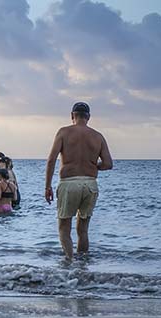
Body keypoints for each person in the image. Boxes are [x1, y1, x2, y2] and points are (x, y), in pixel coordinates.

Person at [45, 101, 113, 261]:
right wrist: (93, 166)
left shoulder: (63, 132)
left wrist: (47, 186)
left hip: (69, 183)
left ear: (72, 116)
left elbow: (51, 160)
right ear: (88, 117)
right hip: (90, 184)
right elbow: (108, 164)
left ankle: (69, 263)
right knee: (83, 230)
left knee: (64, 227)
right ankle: (82, 267)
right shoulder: (98, 136)